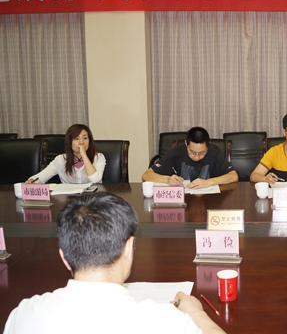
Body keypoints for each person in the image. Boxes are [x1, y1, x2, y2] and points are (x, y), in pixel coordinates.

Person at [3, 192, 225, 334]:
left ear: (64, 257)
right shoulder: (164, 322)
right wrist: (195, 313)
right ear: (129, 248)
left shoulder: (23, 314)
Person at [142, 127, 237, 189]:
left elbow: (233, 176)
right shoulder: (177, 152)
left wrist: (209, 182)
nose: (196, 157)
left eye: (201, 153)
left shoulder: (214, 152)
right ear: (186, 143)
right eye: (192, 152)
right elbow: (146, 176)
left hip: (209, 201)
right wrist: (167, 179)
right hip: (183, 202)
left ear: (208, 145)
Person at [26, 124, 106, 184]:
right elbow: (40, 177)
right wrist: (32, 181)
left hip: (94, 199)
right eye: (76, 138)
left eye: (85, 138)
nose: (81, 142)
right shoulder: (60, 160)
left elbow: (95, 179)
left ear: (89, 141)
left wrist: (84, 155)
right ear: (69, 142)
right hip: (69, 199)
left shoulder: (98, 157)